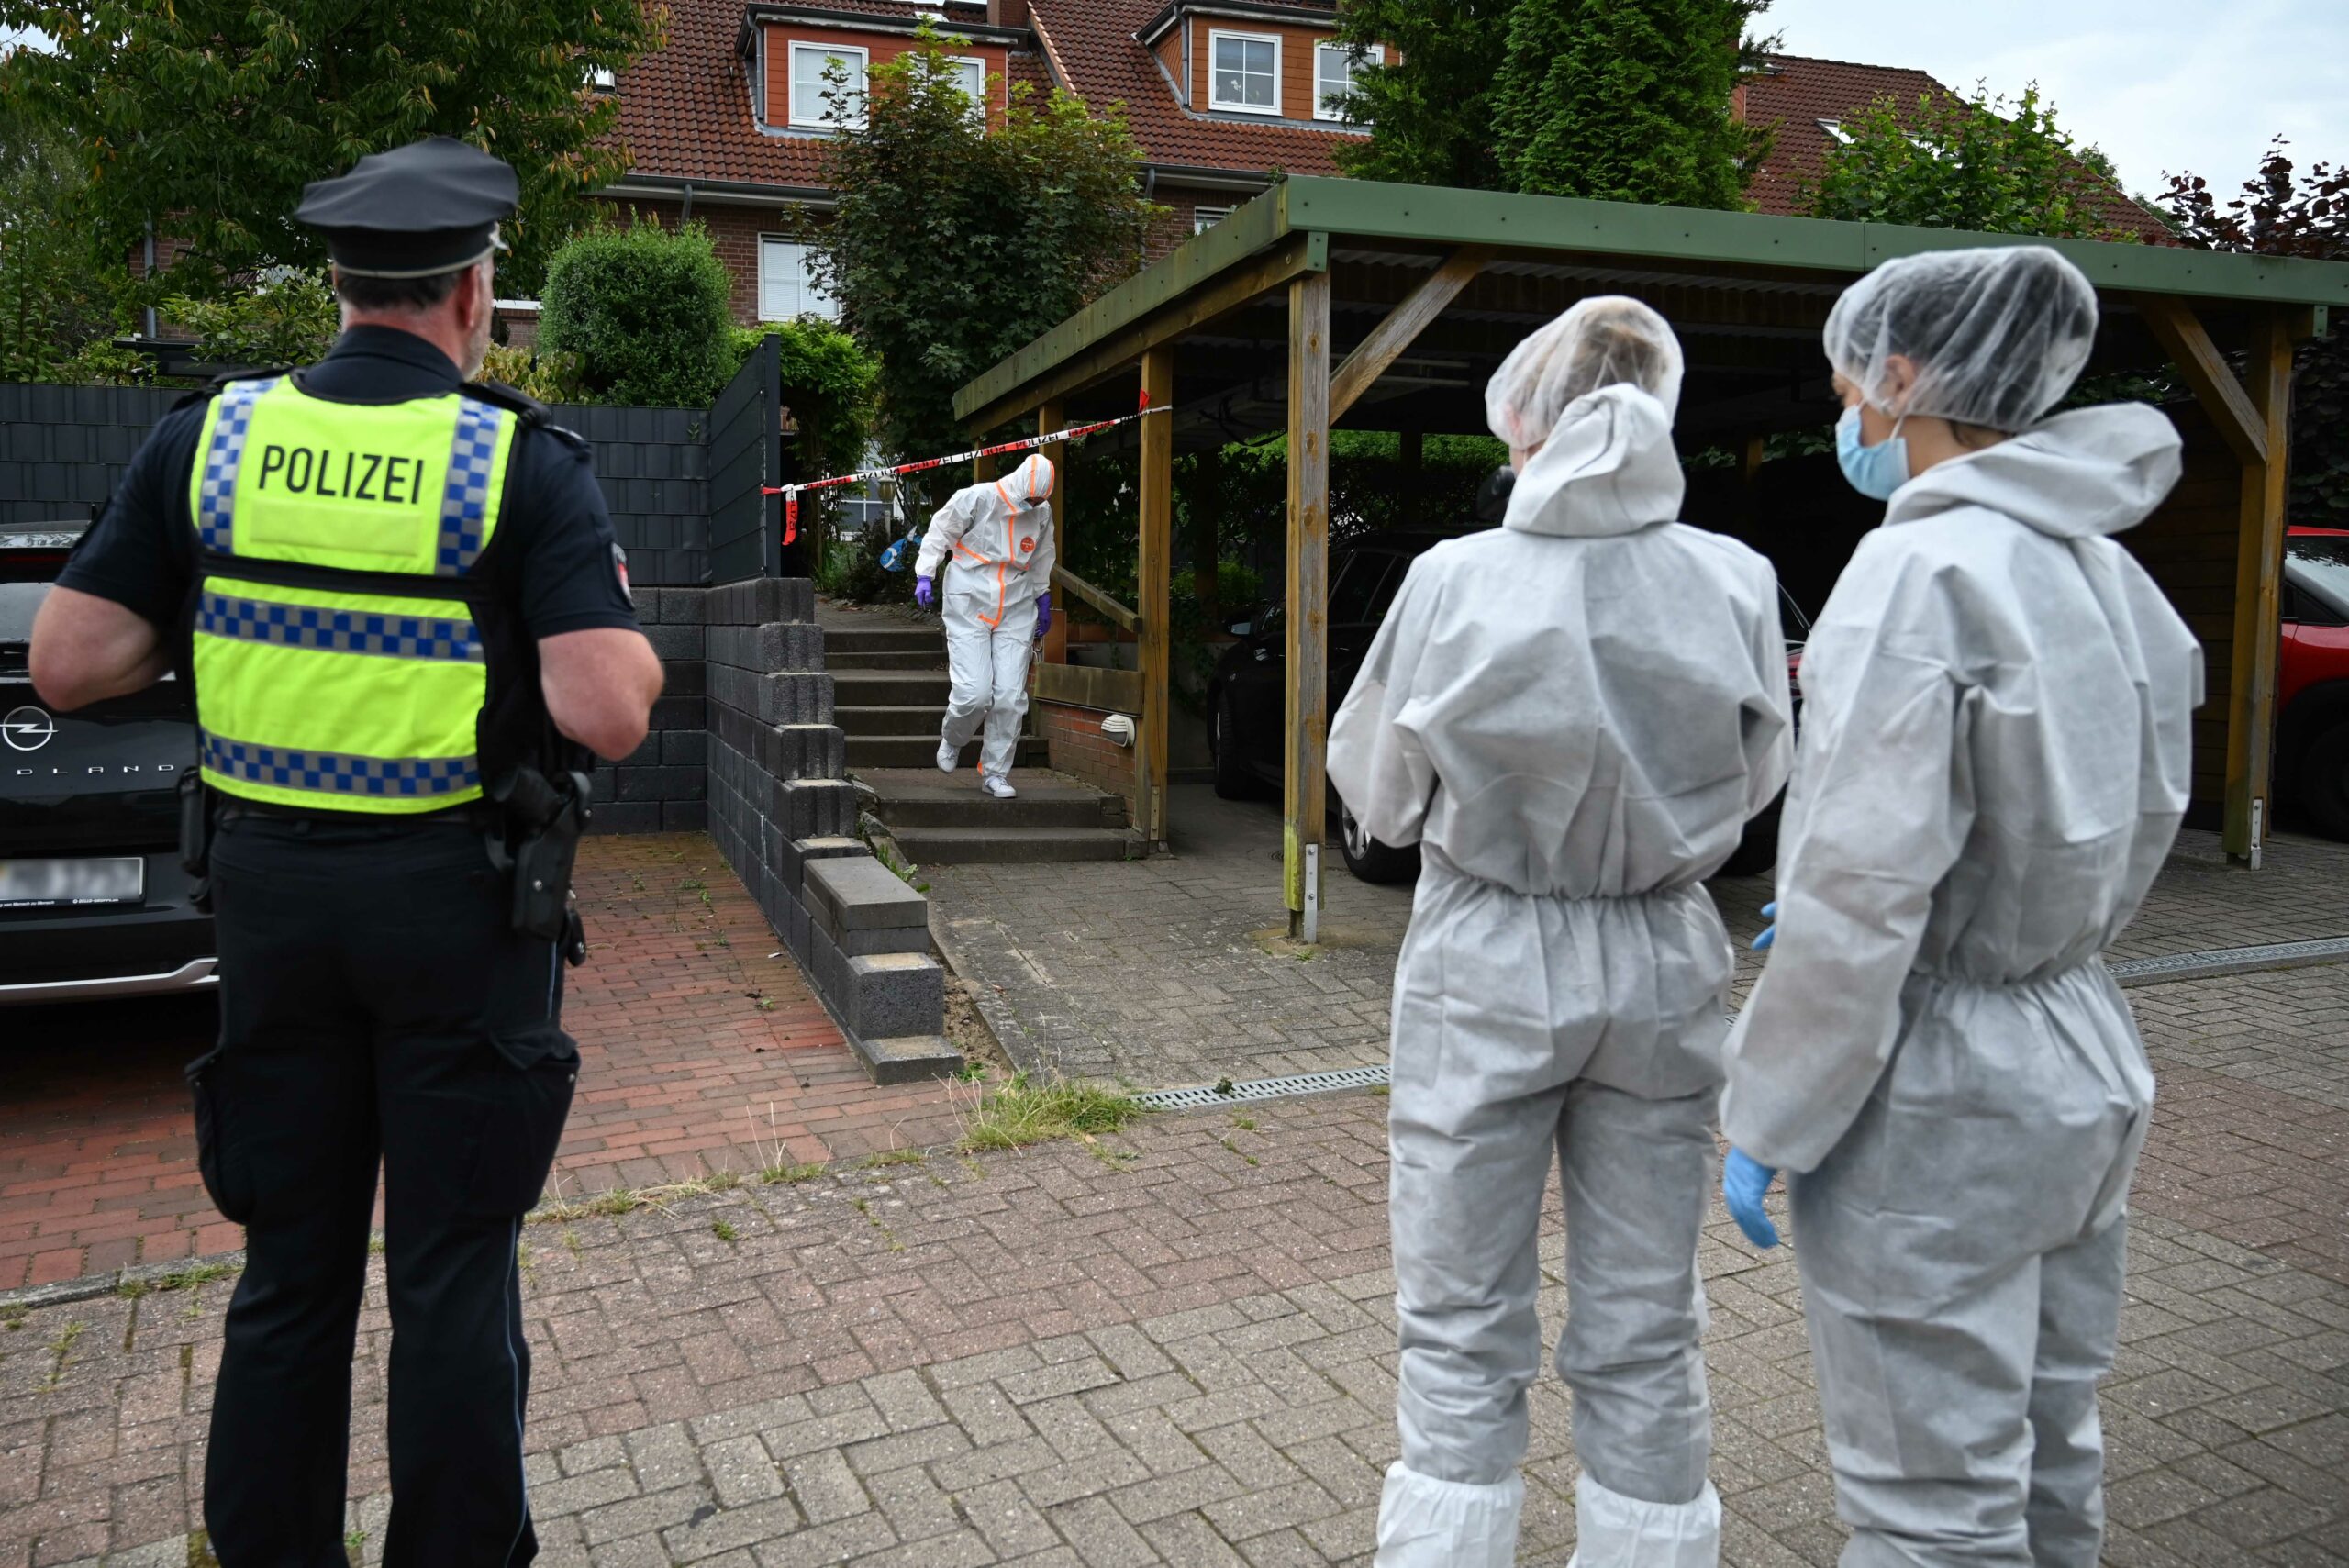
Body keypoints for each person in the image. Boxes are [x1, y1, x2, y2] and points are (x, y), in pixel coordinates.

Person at [29, 138, 664, 1565]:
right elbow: (607, 712)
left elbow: (70, 663)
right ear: (473, 292)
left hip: (265, 907)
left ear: (336, 286)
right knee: (449, 1274)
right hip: (457, 915)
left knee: (291, 1273)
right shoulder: (514, 460)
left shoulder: (217, 439)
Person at [1718, 245, 2202, 1567]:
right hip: (2080, 1049)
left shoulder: (1916, 576)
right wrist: (2006, 918)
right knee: (2050, 1441)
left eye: (1848, 384)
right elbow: (2134, 809)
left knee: (1928, 1502)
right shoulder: (2110, 573)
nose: (1847, 417)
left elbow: (1865, 892)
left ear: (1904, 376)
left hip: (1937, 1103)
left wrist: (1770, 1110)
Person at [1329, 296, 1794, 1567]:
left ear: (1524, 416)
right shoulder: (1737, 578)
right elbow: (1762, 785)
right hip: (1661, 953)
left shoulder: (1453, 579)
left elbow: (1376, 790)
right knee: (1648, 1308)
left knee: (1461, 1301)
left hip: (1486, 951)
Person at [914, 453, 1056, 798]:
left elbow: (1041, 554)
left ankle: (995, 773)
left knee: (1009, 698)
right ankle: (953, 739)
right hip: (970, 597)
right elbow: (941, 531)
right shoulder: (978, 498)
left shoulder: (1041, 513)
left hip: (1016, 603)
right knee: (974, 694)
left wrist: (1042, 594)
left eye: (1041, 500)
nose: (1035, 504)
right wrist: (925, 572)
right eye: (1032, 498)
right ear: (1021, 483)